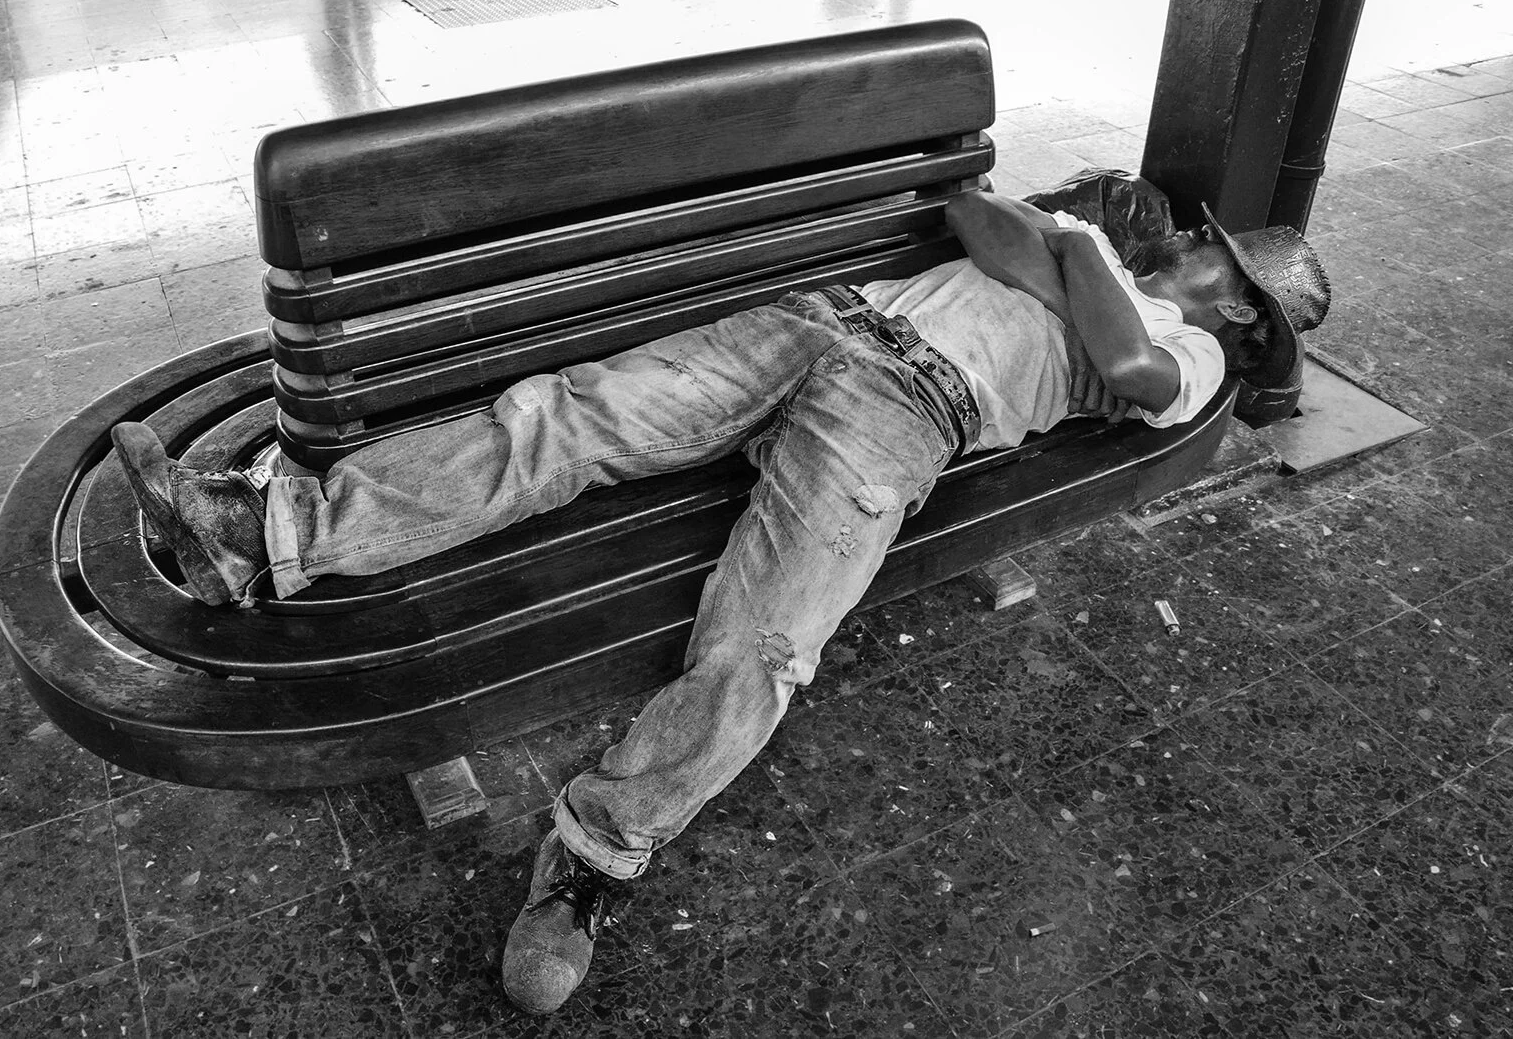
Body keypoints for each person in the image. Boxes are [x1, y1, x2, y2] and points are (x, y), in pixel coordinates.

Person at [109, 191, 1330, 1014]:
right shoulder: (1101, 254)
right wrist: (1067, 255)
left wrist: (1071, 251)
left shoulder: (1196, 353)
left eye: (1216, 255)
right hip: (820, 323)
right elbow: (975, 215)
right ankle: (257, 530)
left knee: (765, 644)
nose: (1194, 237)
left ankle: (595, 854)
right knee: (560, 421)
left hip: (909, 412)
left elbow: (1125, 363)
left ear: (1237, 307)